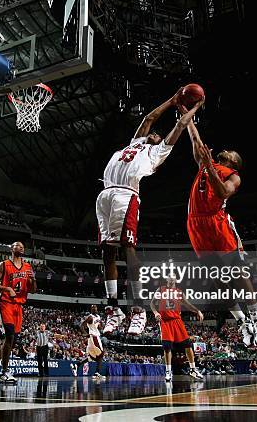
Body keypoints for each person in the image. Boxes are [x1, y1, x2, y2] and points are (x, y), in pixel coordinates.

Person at [96, 90, 204, 335]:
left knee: (128, 249)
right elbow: (148, 119)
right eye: (153, 134)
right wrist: (172, 99)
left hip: (126, 194)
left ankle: (138, 309)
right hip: (106, 194)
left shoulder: (157, 152)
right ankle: (113, 308)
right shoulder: (136, 144)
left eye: (156, 135)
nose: (154, 134)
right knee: (107, 252)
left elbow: (179, 126)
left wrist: (192, 108)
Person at [181, 112, 257, 347]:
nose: (226, 150)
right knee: (218, 281)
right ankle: (242, 322)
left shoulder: (233, 176)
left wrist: (209, 166)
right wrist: (187, 117)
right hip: (196, 225)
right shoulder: (205, 164)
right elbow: (196, 142)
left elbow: (221, 193)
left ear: (234, 163)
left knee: (239, 275)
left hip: (217, 223)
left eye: (231, 153)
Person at [0, 241, 36, 384]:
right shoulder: (3, 265)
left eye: (22, 246)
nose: (20, 247)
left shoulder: (28, 267)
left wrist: (33, 280)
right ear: (11, 248)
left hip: (18, 306)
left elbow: (33, 290)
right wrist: (7, 289)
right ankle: (4, 372)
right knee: (9, 335)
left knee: (12, 339)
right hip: (5, 302)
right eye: (17, 245)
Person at [149, 278, 204, 382]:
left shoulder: (179, 292)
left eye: (173, 277)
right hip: (165, 321)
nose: (171, 279)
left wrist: (197, 311)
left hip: (177, 321)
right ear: (166, 279)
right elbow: (152, 303)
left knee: (188, 345)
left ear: (176, 280)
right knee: (167, 347)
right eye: (169, 277)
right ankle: (168, 371)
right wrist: (156, 313)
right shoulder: (160, 290)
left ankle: (193, 369)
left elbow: (187, 304)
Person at [70, 305, 106, 380]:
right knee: (101, 354)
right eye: (92, 308)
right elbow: (82, 325)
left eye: (95, 307)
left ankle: (76, 366)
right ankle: (97, 374)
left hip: (92, 338)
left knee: (91, 357)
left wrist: (100, 326)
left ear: (97, 308)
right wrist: (84, 333)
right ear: (91, 310)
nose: (94, 308)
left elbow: (98, 326)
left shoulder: (98, 317)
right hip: (94, 337)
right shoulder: (90, 317)